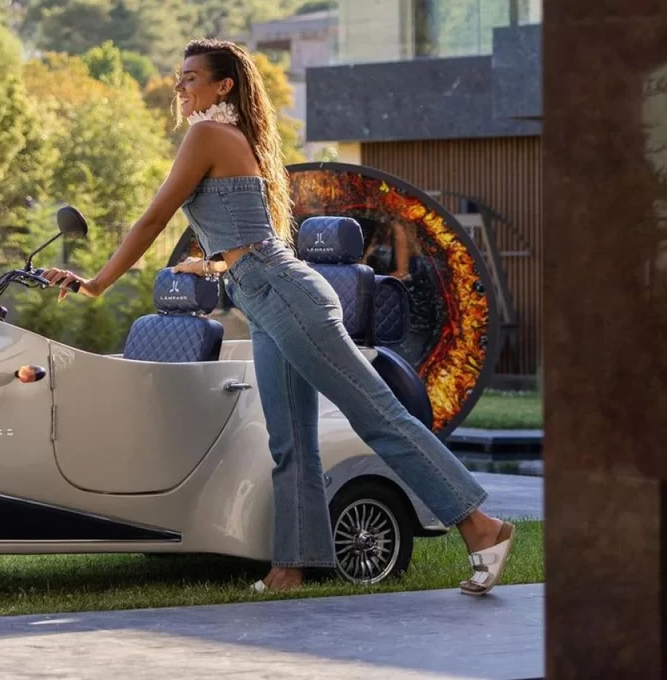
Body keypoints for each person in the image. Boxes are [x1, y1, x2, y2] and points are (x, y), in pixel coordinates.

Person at [40, 38, 514, 596]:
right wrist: (215, 265)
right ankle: (291, 566)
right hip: (263, 294)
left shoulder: (207, 134)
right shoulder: (228, 136)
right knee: (289, 441)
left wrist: (97, 282)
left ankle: (481, 527)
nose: (181, 85)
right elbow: (248, 236)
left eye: (193, 77)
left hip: (283, 293)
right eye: (180, 75)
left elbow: (152, 221)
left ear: (224, 86)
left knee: (377, 415)